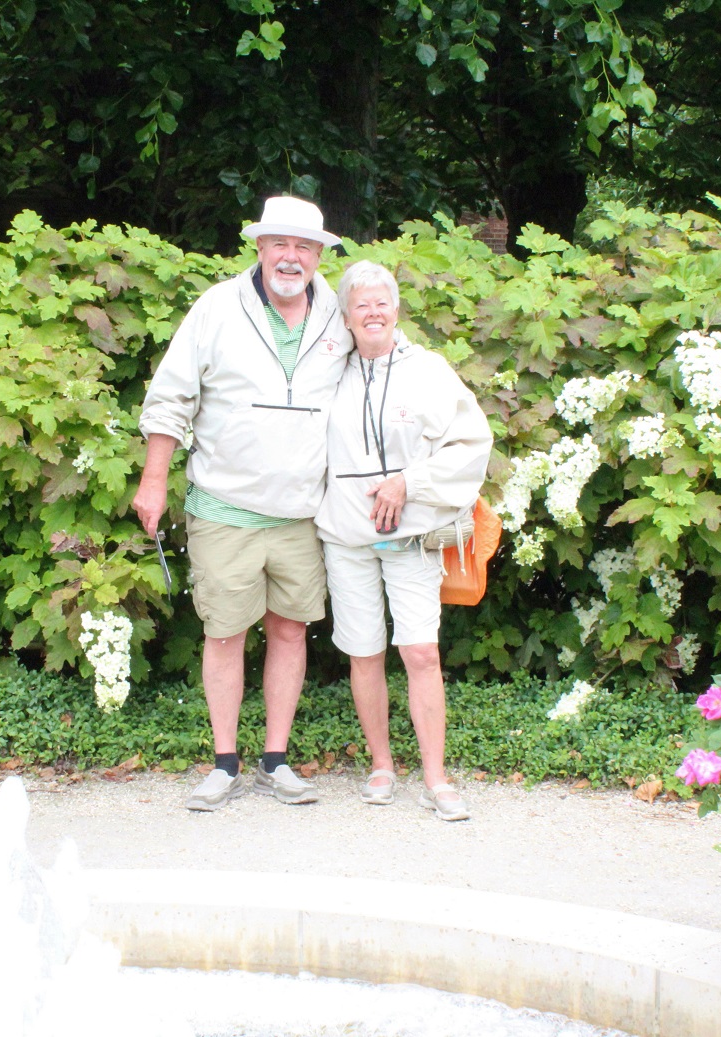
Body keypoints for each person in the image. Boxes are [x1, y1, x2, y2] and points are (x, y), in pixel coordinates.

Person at [134, 196, 353, 811]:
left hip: (302, 512)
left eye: (304, 246)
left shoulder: (338, 314)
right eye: (280, 243)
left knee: (290, 630)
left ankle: (275, 762)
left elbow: (384, 367)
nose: (291, 257)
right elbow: (171, 396)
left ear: (319, 255)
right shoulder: (217, 307)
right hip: (224, 506)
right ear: (259, 247)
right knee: (225, 633)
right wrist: (154, 479)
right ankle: (224, 764)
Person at [314, 260, 493, 821]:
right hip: (346, 537)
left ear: (396, 310)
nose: (372, 312)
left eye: (381, 302)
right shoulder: (327, 372)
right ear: (346, 317)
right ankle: (382, 765)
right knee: (364, 652)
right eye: (360, 305)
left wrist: (407, 482)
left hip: (410, 537)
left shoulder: (428, 371)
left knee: (420, 651)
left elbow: (471, 443)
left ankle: (436, 778)